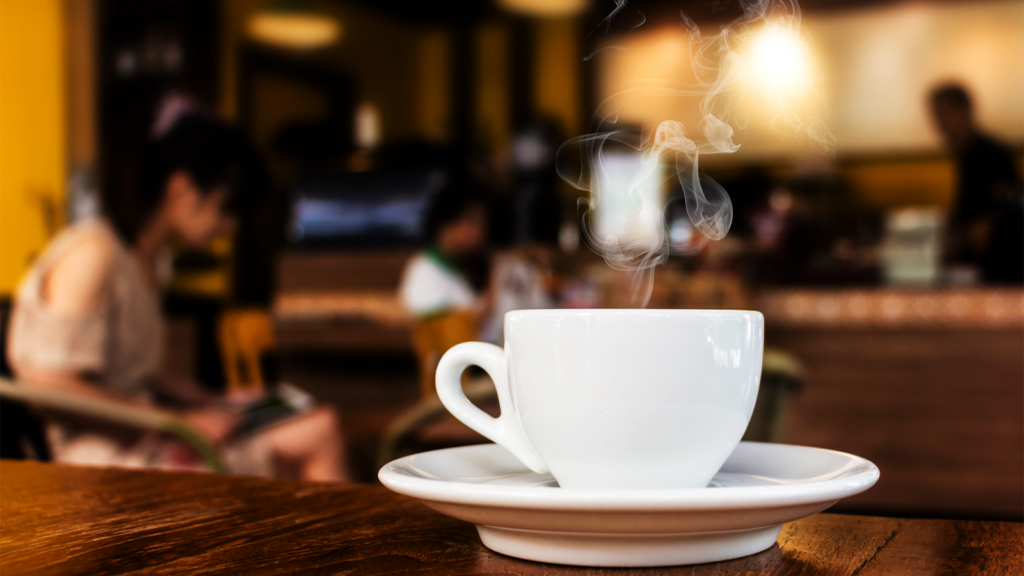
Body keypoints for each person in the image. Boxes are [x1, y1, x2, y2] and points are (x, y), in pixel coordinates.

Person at [6, 108, 350, 481]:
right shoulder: (93, 253)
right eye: (226, 208)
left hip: (137, 432)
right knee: (320, 430)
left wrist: (205, 397)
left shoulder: (144, 260)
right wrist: (177, 421)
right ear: (181, 187)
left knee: (311, 423)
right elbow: (46, 384)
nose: (230, 226)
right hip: (100, 454)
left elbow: (126, 375)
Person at [929, 83, 1023, 283]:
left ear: (965, 111)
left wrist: (990, 224)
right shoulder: (964, 154)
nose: (939, 122)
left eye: (943, 113)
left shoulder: (993, 153)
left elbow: (1010, 204)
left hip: (997, 265)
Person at [398, 179, 490, 323]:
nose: (480, 232)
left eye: (482, 223)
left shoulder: (458, 267)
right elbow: (445, 329)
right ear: (446, 227)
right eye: (472, 222)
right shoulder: (424, 269)